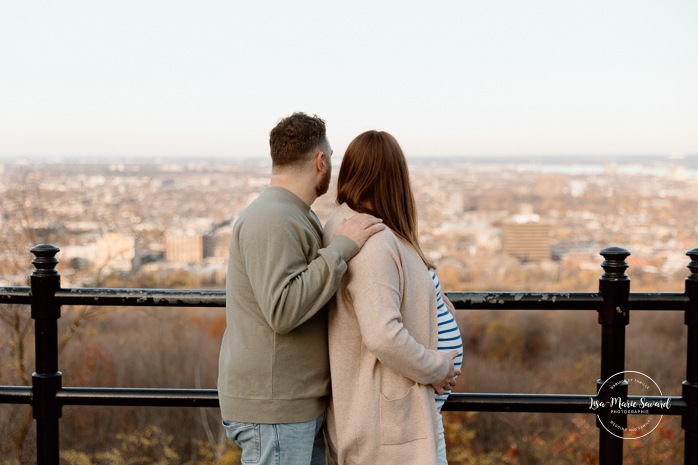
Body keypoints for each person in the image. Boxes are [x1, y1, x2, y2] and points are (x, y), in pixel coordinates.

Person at [217, 113, 385, 465]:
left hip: (290, 404)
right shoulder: (273, 218)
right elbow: (283, 309)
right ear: (321, 161)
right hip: (275, 409)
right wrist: (341, 248)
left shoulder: (295, 213)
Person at [322, 130, 462, 465]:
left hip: (402, 421)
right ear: (394, 177)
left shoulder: (360, 227)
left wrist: (433, 298)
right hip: (391, 430)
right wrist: (437, 368)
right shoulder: (372, 242)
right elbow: (383, 334)